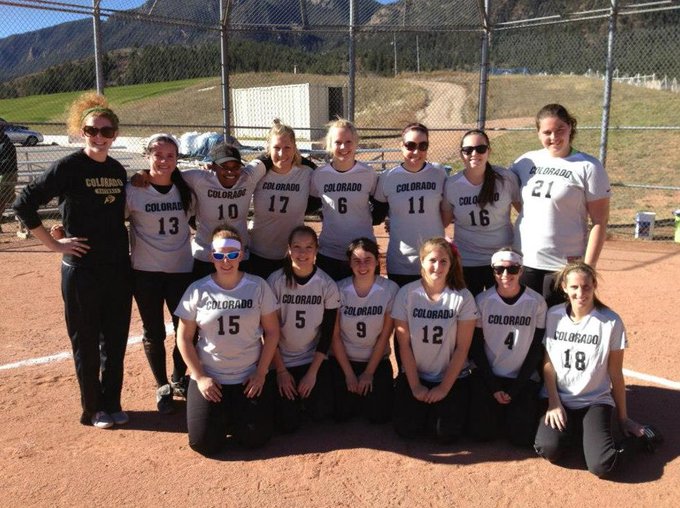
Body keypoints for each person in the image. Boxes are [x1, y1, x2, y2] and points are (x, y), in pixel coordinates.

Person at [13, 92, 132, 429]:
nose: (99, 137)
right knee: (86, 341)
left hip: (116, 267)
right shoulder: (68, 166)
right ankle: (93, 409)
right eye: (92, 130)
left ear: (115, 135)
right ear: (82, 132)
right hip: (82, 270)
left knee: (115, 341)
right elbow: (24, 203)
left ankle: (112, 402)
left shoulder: (117, 169)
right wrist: (53, 243)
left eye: (106, 131)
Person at [534, 262, 663, 477]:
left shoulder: (610, 322)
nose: (580, 293)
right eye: (574, 287)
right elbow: (548, 363)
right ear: (564, 287)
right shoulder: (554, 315)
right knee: (548, 448)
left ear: (594, 285)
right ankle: (581, 432)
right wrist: (554, 401)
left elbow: (615, 374)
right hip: (560, 399)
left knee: (603, 465)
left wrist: (623, 418)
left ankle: (643, 438)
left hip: (594, 401)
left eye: (586, 286)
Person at [175, 224, 280, 456]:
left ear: (241, 255)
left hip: (247, 377)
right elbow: (183, 337)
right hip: (212, 377)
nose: (226, 261)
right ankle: (225, 416)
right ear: (211, 256)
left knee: (256, 439)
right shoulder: (197, 289)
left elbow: (272, 332)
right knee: (204, 444)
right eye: (220, 255)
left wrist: (261, 372)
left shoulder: (258, 286)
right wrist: (200, 377)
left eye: (232, 255)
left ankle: (231, 416)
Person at [510, 104, 610, 305]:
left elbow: (600, 221)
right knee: (527, 321)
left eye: (560, 130)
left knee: (561, 321)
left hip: (564, 267)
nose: (554, 137)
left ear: (570, 127)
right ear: (538, 133)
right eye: (547, 132)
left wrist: (587, 268)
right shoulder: (525, 162)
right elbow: (517, 199)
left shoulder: (588, 166)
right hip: (526, 261)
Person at [126, 133, 194, 413]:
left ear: (177, 159)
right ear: (147, 156)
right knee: (153, 330)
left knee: (186, 329)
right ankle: (161, 384)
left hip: (181, 269)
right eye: (158, 155)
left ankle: (178, 377)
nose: (164, 161)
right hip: (146, 271)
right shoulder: (134, 190)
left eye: (170, 156)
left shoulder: (186, 188)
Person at [133, 142, 265, 279]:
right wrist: (144, 172)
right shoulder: (199, 178)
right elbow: (167, 173)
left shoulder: (248, 177)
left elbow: (267, 157)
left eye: (235, 167)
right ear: (213, 166)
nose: (230, 172)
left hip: (238, 254)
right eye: (224, 167)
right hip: (205, 254)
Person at [391, 237, 478, 443]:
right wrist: (415, 386)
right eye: (432, 260)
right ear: (422, 261)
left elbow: (462, 348)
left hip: (452, 377)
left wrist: (443, 388)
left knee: (444, 435)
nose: (437, 267)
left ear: (451, 264)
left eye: (443, 261)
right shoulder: (407, 293)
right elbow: (404, 345)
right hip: (417, 375)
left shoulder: (463, 296)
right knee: (406, 429)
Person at [467, 248, 547, 446]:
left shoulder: (536, 302)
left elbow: (536, 349)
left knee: (521, 439)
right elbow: (476, 348)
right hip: (489, 376)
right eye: (499, 269)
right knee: (481, 434)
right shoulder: (482, 301)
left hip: (522, 378)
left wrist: (516, 388)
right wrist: (494, 387)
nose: (505, 274)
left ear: (521, 271)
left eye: (512, 269)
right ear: (492, 271)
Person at [267, 225, 340, 432]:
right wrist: (281, 371)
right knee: (286, 425)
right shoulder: (275, 281)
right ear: (289, 249)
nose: (303, 253)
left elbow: (327, 334)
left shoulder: (327, 284)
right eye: (297, 247)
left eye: (309, 247)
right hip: (281, 360)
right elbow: (268, 332)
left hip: (311, 359)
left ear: (317, 249)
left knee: (321, 413)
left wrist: (312, 373)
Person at [443, 129, 521, 295]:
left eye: (480, 149)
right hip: (467, 259)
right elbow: (443, 221)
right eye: (468, 150)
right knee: (468, 307)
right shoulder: (452, 184)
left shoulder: (506, 179)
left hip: (502, 259)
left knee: (500, 307)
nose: (474, 154)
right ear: (461, 154)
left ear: (489, 151)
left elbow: (524, 213)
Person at [330, 237, 399, 423]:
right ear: (349, 263)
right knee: (340, 414)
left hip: (376, 362)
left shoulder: (390, 289)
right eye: (356, 260)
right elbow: (335, 337)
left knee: (379, 417)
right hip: (344, 361)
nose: (362, 266)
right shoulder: (339, 289)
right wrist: (349, 374)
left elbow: (385, 336)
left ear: (377, 261)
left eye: (368, 259)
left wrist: (368, 373)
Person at [374, 123, 448, 288]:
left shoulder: (438, 172)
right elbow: (378, 214)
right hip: (401, 261)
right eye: (410, 145)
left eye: (423, 146)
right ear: (401, 146)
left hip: (435, 260)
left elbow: (446, 211)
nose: (416, 151)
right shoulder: (388, 177)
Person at [310, 118, 385, 281]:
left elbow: (379, 207)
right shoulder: (319, 175)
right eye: (338, 142)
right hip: (330, 252)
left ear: (356, 143)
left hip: (362, 252)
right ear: (330, 145)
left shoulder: (368, 173)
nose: (343, 147)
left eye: (348, 142)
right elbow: (311, 204)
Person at [245, 119, 319, 279]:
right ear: (268, 149)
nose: (281, 153)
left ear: (295, 148)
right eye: (276, 148)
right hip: (258, 253)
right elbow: (238, 181)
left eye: (287, 148)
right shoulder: (260, 172)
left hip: (291, 256)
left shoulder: (307, 172)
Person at [0, 120, 18, 232]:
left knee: (3, 198)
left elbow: (7, 163)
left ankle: (22, 210)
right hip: (3, 174)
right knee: (7, 198)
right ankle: (22, 209)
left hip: (8, 174)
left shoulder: (7, 145)